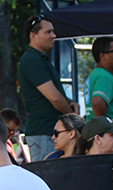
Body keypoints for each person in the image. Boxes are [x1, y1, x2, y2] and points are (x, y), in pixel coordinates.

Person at [18, 14, 79, 161]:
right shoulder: (32, 59)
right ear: (33, 36)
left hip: (48, 132)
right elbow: (55, 98)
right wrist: (73, 118)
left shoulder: (39, 58)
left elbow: (54, 96)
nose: (53, 36)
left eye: (53, 31)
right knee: (48, 174)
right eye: (48, 32)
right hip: (44, 133)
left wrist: (69, 101)